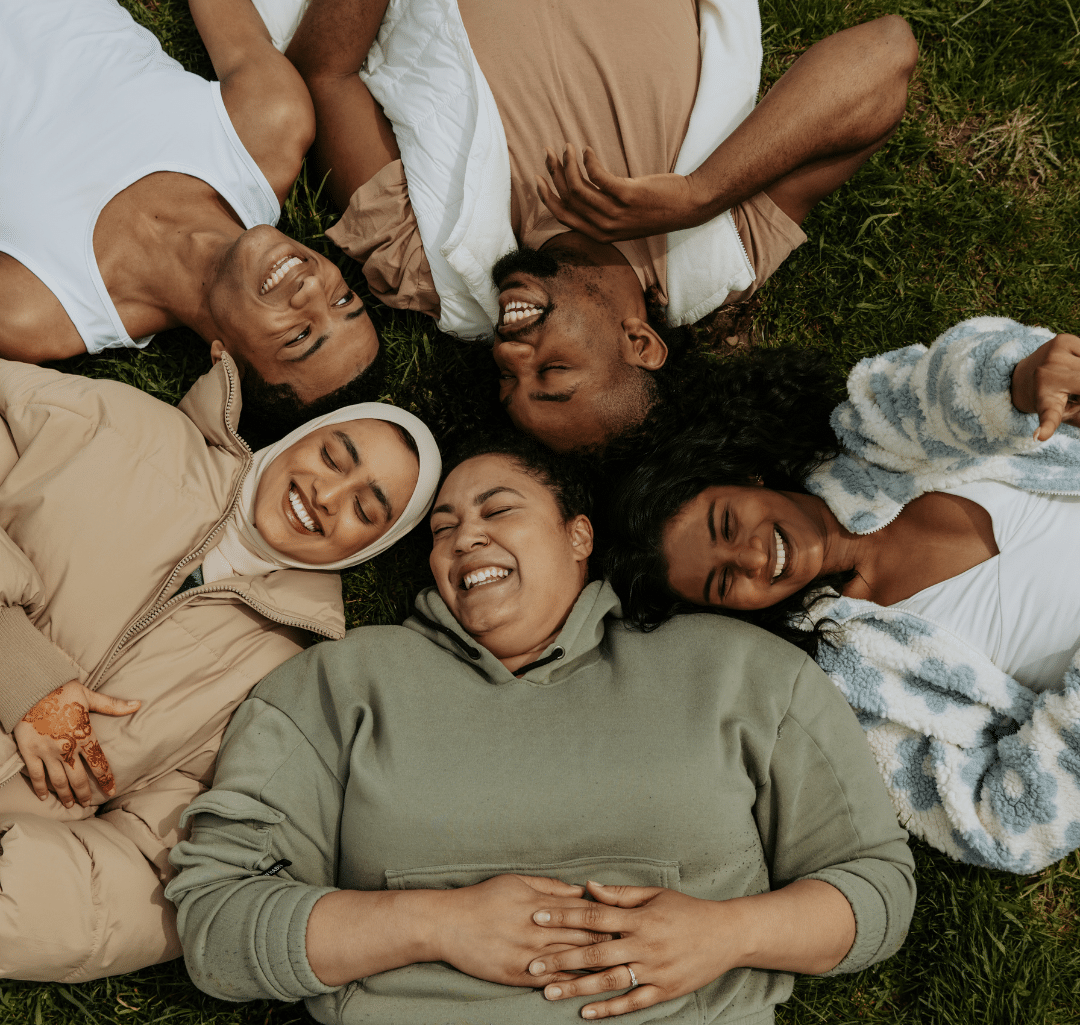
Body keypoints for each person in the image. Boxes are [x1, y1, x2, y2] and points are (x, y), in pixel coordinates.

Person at [166, 435, 914, 1024]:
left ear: (578, 535)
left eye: (498, 511)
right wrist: (435, 923)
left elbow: (875, 889)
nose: (465, 539)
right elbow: (216, 926)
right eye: (443, 528)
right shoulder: (336, 684)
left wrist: (726, 936)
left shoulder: (744, 672)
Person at [237, 0, 919, 451]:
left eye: (508, 383)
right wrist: (699, 194)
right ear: (640, 343)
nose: (509, 355)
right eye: (552, 371)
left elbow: (326, 74)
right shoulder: (718, 249)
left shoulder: (427, 264)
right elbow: (886, 54)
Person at [0, 348, 441, 982]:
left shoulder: (288, 680)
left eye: (366, 510)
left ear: (371, 547)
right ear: (299, 436)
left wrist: (15, 890)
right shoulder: (119, 428)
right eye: (331, 456)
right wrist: (18, 664)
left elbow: (158, 866)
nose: (327, 494)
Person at [606, 315, 1080, 874]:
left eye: (728, 524)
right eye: (723, 581)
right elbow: (1005, 829)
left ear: (743, 476)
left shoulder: (874, 436)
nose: (755, 557)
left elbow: (952, 383)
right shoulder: (852, 689)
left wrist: (1019, 381)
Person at [0, 0, 389, 438]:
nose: (313, 289)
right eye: (342, 299)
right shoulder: (267, 128)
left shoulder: (38, 310)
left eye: (299, 335)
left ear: (225, 363)